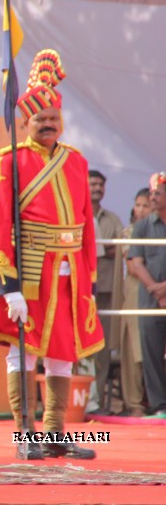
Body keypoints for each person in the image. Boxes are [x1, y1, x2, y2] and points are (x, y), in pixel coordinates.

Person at [0, 49, 101, 459]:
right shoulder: (9, 162)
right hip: (31, 271)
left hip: (69, 274)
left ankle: (54, 432)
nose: (48, 125)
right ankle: (23, 432)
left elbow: (86, 223)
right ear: (25, 123)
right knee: (24, 352)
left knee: (62, 355)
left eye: (54, 119)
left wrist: (89, 276)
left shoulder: (77, 161)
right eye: (40, 120)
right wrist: (8, 285)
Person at [128, 173, 166, 418]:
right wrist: (157, 290)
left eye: (158, 193)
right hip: (150, 300)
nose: (152, 197)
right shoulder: (142, 225)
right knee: (151, 350)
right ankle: (160, 406)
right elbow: (135, 262)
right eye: (151, 193)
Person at [89, 169, 125, 414]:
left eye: (101, 185)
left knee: (101, 349)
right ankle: (79, 401)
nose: (97, 189)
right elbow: (104, 250)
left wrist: (104, 247)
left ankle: (99, 404)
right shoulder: (75, 212)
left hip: (105, 291)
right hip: (79, 291)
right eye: (93, 184)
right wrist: (105, 248)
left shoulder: (112, 219)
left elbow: (120, 248)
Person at [116, 188, 151, 416]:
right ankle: (135, 403)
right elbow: (132, 265)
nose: (140, 210)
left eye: (145, 205)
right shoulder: (129, 231)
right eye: (137, 205)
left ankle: (156, 400)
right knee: (133, 346)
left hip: (157, 293)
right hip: (137, 292)